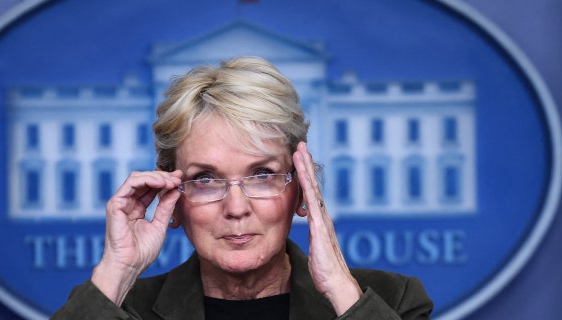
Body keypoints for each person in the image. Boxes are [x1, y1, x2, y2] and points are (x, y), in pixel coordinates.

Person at [52, 56, 433, 319]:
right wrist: (117, 271)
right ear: (172, 198)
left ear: (301, 190)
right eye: (205, 179)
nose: (236, 207)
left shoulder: (392, 301)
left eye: (262, 174)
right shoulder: (118, 306)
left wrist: (339, 290)